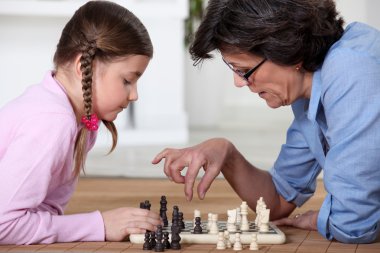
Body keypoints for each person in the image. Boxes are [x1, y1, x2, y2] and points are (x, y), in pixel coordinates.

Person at [152, 0, 380, 244]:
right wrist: (226, 153)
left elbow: (355, 226)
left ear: (288, 51)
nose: (238, 82)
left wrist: (318, 220)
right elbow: (278, 201)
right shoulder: (308, 95)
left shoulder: (351, 69)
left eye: (244, 70)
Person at [0, 1, 162, 245]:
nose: (134, 95)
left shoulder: (81, 120)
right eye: (127, 80)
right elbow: (4, 225)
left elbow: (44, 209)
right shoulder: (52, 123)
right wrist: (100, 225)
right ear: (83, 68)